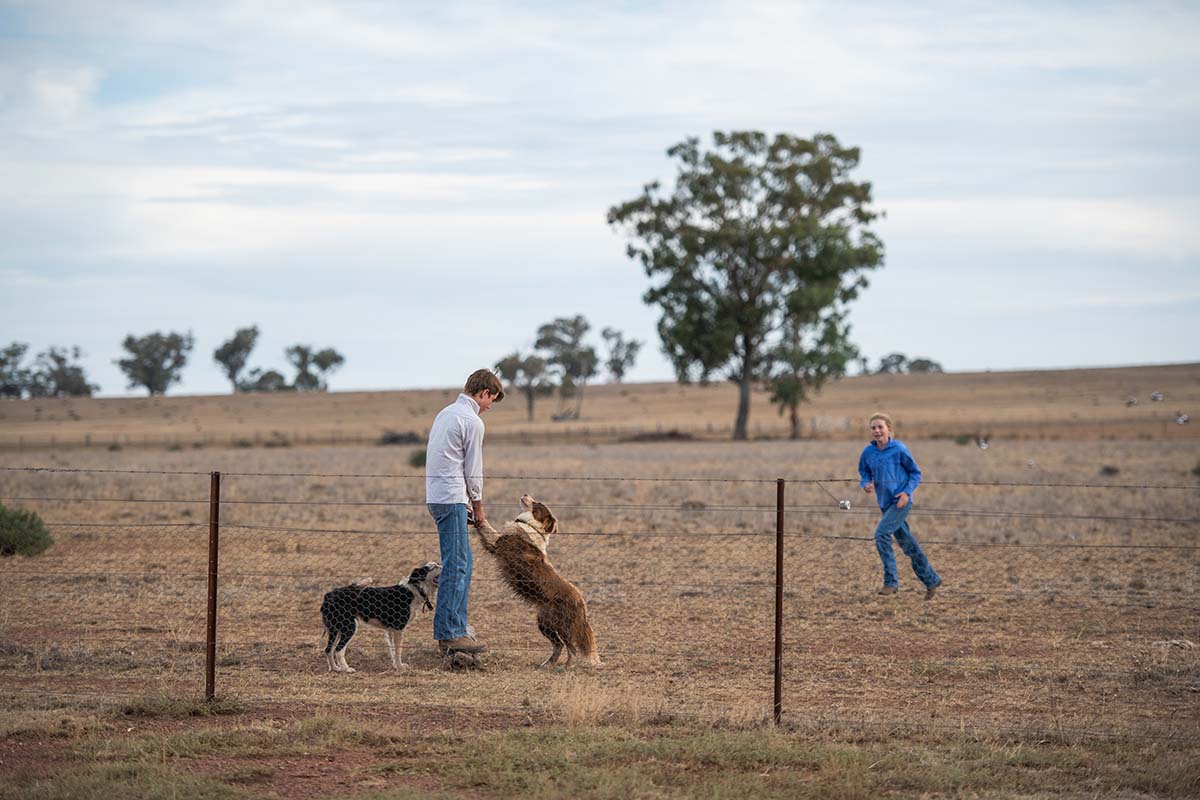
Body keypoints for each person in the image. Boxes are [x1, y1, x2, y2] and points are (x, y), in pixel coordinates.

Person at [426, 368, 504, 655]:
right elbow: (473, 470)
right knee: (457, 565)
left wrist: (463, 501)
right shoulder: (472, 421)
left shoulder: (445, 413)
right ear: (483, 393)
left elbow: (445, 460)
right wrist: (479, 506)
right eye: (491, 400)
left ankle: (457, 627)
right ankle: (450, 633)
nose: (489, 407)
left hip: (439, 496)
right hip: (450, 498)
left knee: (462, 563)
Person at [857, 412, 942, 599]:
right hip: (884, 504)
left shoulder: (899, 449)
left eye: (880, 427)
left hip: (901, 502)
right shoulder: (868, 452)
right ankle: (931, 580)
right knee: (908, 544)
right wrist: (866, 483)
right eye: (873, 428)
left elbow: (915, 473)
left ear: (889, 429)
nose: (877, 431)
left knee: (881, 534)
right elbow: (864, 471)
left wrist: (906, 492)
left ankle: (890, 582)